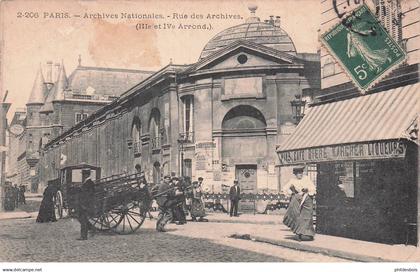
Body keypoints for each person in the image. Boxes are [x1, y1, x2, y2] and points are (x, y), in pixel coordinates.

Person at [282, 166, 316, 241]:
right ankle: (299, 234)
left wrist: (307, 189)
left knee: (307, 217)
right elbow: (285, 188)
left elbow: (313, 188)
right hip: (298, 200)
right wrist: (292, 193)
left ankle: (310, 234)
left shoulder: (306, 178)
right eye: (298, 173)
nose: (300, 174)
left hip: (307, 199)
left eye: (301, 173)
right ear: (295, 174)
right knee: (298, 216)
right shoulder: (292, 180)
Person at [77, 174, 95, 240]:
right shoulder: (87, 182)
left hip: (85, 205)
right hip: (83, 205)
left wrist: (84, 205)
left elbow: (89, 195)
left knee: (83, 220)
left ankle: (84, 236)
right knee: (82, 219)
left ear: (86, 175)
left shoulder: (89, 183)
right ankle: (91, 228)